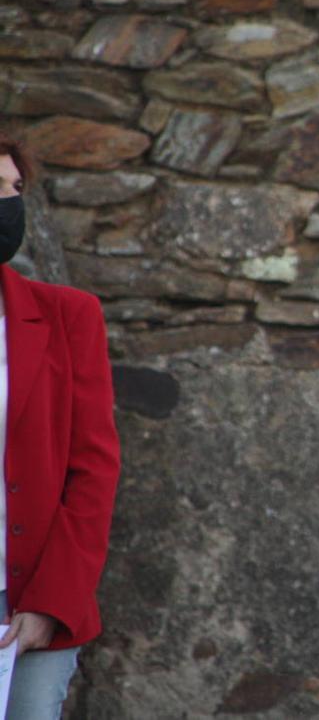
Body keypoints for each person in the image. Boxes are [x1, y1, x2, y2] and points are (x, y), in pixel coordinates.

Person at [0, 135, 120, 719]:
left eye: (13, 189)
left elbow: (93, 469)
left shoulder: (68, 316)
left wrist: (51, 603)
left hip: (27, 608)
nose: (8, 203)